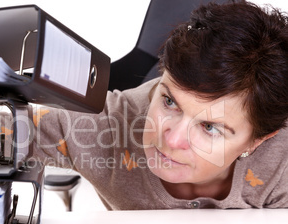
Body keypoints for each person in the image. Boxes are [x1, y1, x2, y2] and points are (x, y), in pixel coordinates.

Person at [30, 0, 288, 209]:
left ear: (258, 141)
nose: (173, 140)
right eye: (169, 102)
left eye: (210, 127)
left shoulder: (282, 159)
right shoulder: (105, 125)